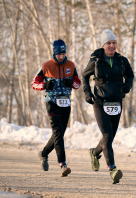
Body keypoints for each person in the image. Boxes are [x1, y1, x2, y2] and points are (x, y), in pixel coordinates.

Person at [82, 29, 134, 184]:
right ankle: (112, 169)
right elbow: (84, 76)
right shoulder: (95, 61)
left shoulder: (122, 61)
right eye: (109, 43)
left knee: (109, 138)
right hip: (100, 102)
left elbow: (130, 75)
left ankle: (94, 152)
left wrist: (127, 86)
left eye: (114, 43)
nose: (112, 46)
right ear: (103, 45)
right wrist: (87, 93)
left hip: (116, 103)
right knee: (107, 135)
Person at [31, 39, 81, 177]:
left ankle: (43, 153)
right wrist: (45, 86)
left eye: (64, 53)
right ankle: (63, 164)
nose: (62, 56)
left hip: (66, 103)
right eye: (59, 54)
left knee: (59, 134)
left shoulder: (71, 65)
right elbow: (34, 83)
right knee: (58, 133)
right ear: (55, 53)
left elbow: (78, 83)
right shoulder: (46, 66)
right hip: (52, 103)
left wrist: (70, 82)